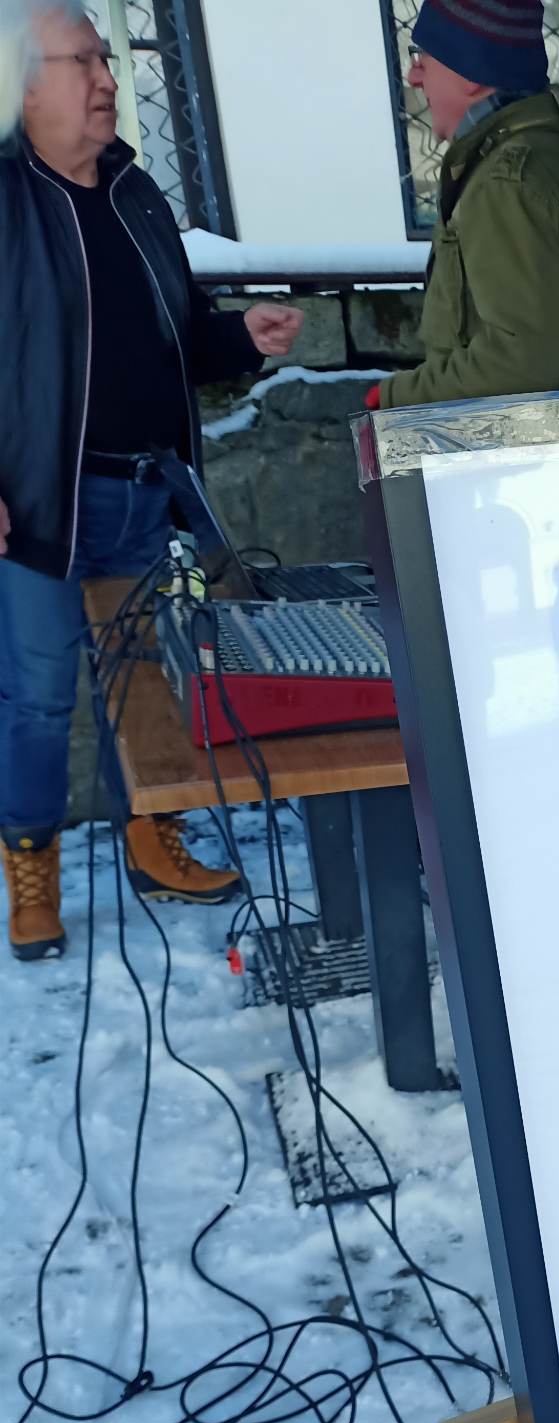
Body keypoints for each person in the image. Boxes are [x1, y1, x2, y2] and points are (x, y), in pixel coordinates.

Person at [0, 0, 303, 963]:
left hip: (142, 493)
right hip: (41, 505)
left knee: (142, 685)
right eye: (83, 62)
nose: (107, 79)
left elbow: (179, 329)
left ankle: (151, 834)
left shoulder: (135, 192)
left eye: (106, 59)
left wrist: (238, 337)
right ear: (22, 84)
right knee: (38, 697)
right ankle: (32, 866)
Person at [372, 0, 559, 410]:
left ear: (471, 74)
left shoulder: (505, 180)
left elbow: (521, 365)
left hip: (522, 446)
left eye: (423, 56)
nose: (413, 76)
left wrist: (395, 397)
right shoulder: (531, 157)